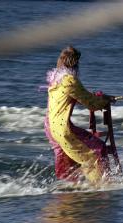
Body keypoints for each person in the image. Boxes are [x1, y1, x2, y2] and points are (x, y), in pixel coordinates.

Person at [45, 46, 113, 184]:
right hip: (63, 129)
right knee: (98, 151)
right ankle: (102, 186)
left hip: (51, 127)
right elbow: (91, 103)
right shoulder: (70, 80)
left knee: (70, 161)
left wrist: (94, 97)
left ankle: (72, 188)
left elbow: (79, 96)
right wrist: (105, 100)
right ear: (75, 63)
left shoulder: (55, 79)